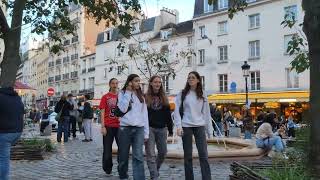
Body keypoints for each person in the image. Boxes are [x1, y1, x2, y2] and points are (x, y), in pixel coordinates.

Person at [174, 71, 213, 180]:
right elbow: (176, 111)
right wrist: (178, 126)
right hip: (186, 126)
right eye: (189, 78)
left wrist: (209, 130)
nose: (190, 79)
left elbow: (206, 112)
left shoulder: (203, 93)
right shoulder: (182, 93)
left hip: (200, 126)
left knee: (204, 155)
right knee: (188, 156)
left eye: (193, 78)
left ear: (198, 80)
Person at [117, 74, 149, 180]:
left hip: (139, 129)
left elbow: (145, 115)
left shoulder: (141, 96)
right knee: (123, 156)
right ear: (130, 82)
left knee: (138, 156)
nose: (138, 83)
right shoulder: (122, 93)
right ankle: (123, 176)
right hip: (124, 128)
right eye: (136, 81)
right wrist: (128, 92)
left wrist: (146, 132)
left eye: (139, 81)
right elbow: (122, 109)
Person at [145, 75, 173, 180]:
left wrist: (170, 129)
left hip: (162, 128)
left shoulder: (164, 97)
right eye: (155, 82)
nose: (157, 84)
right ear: (151, 83)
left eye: (159, 82)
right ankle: (154, 176)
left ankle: (155, 170)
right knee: (151, 154)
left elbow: (168, 115)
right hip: (149, 128)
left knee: (163, 152)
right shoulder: (145, 97)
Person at [0, 87, 24, 180]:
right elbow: (22, 111)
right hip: (17, 132)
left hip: (5, 133)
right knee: (3, 157)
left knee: (3, 159)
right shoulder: (17, 97)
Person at [99, 78, 120, 176]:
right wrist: (102, 126)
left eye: (116, 83)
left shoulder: (121, 96)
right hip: (108, 126)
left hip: (120, 127)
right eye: (113, 83)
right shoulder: (105, 97)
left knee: (122, 149)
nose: (115, 85)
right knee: (107, 150)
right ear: (109, 84)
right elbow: (102, 112)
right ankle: (107, 167)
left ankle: (122, 168)